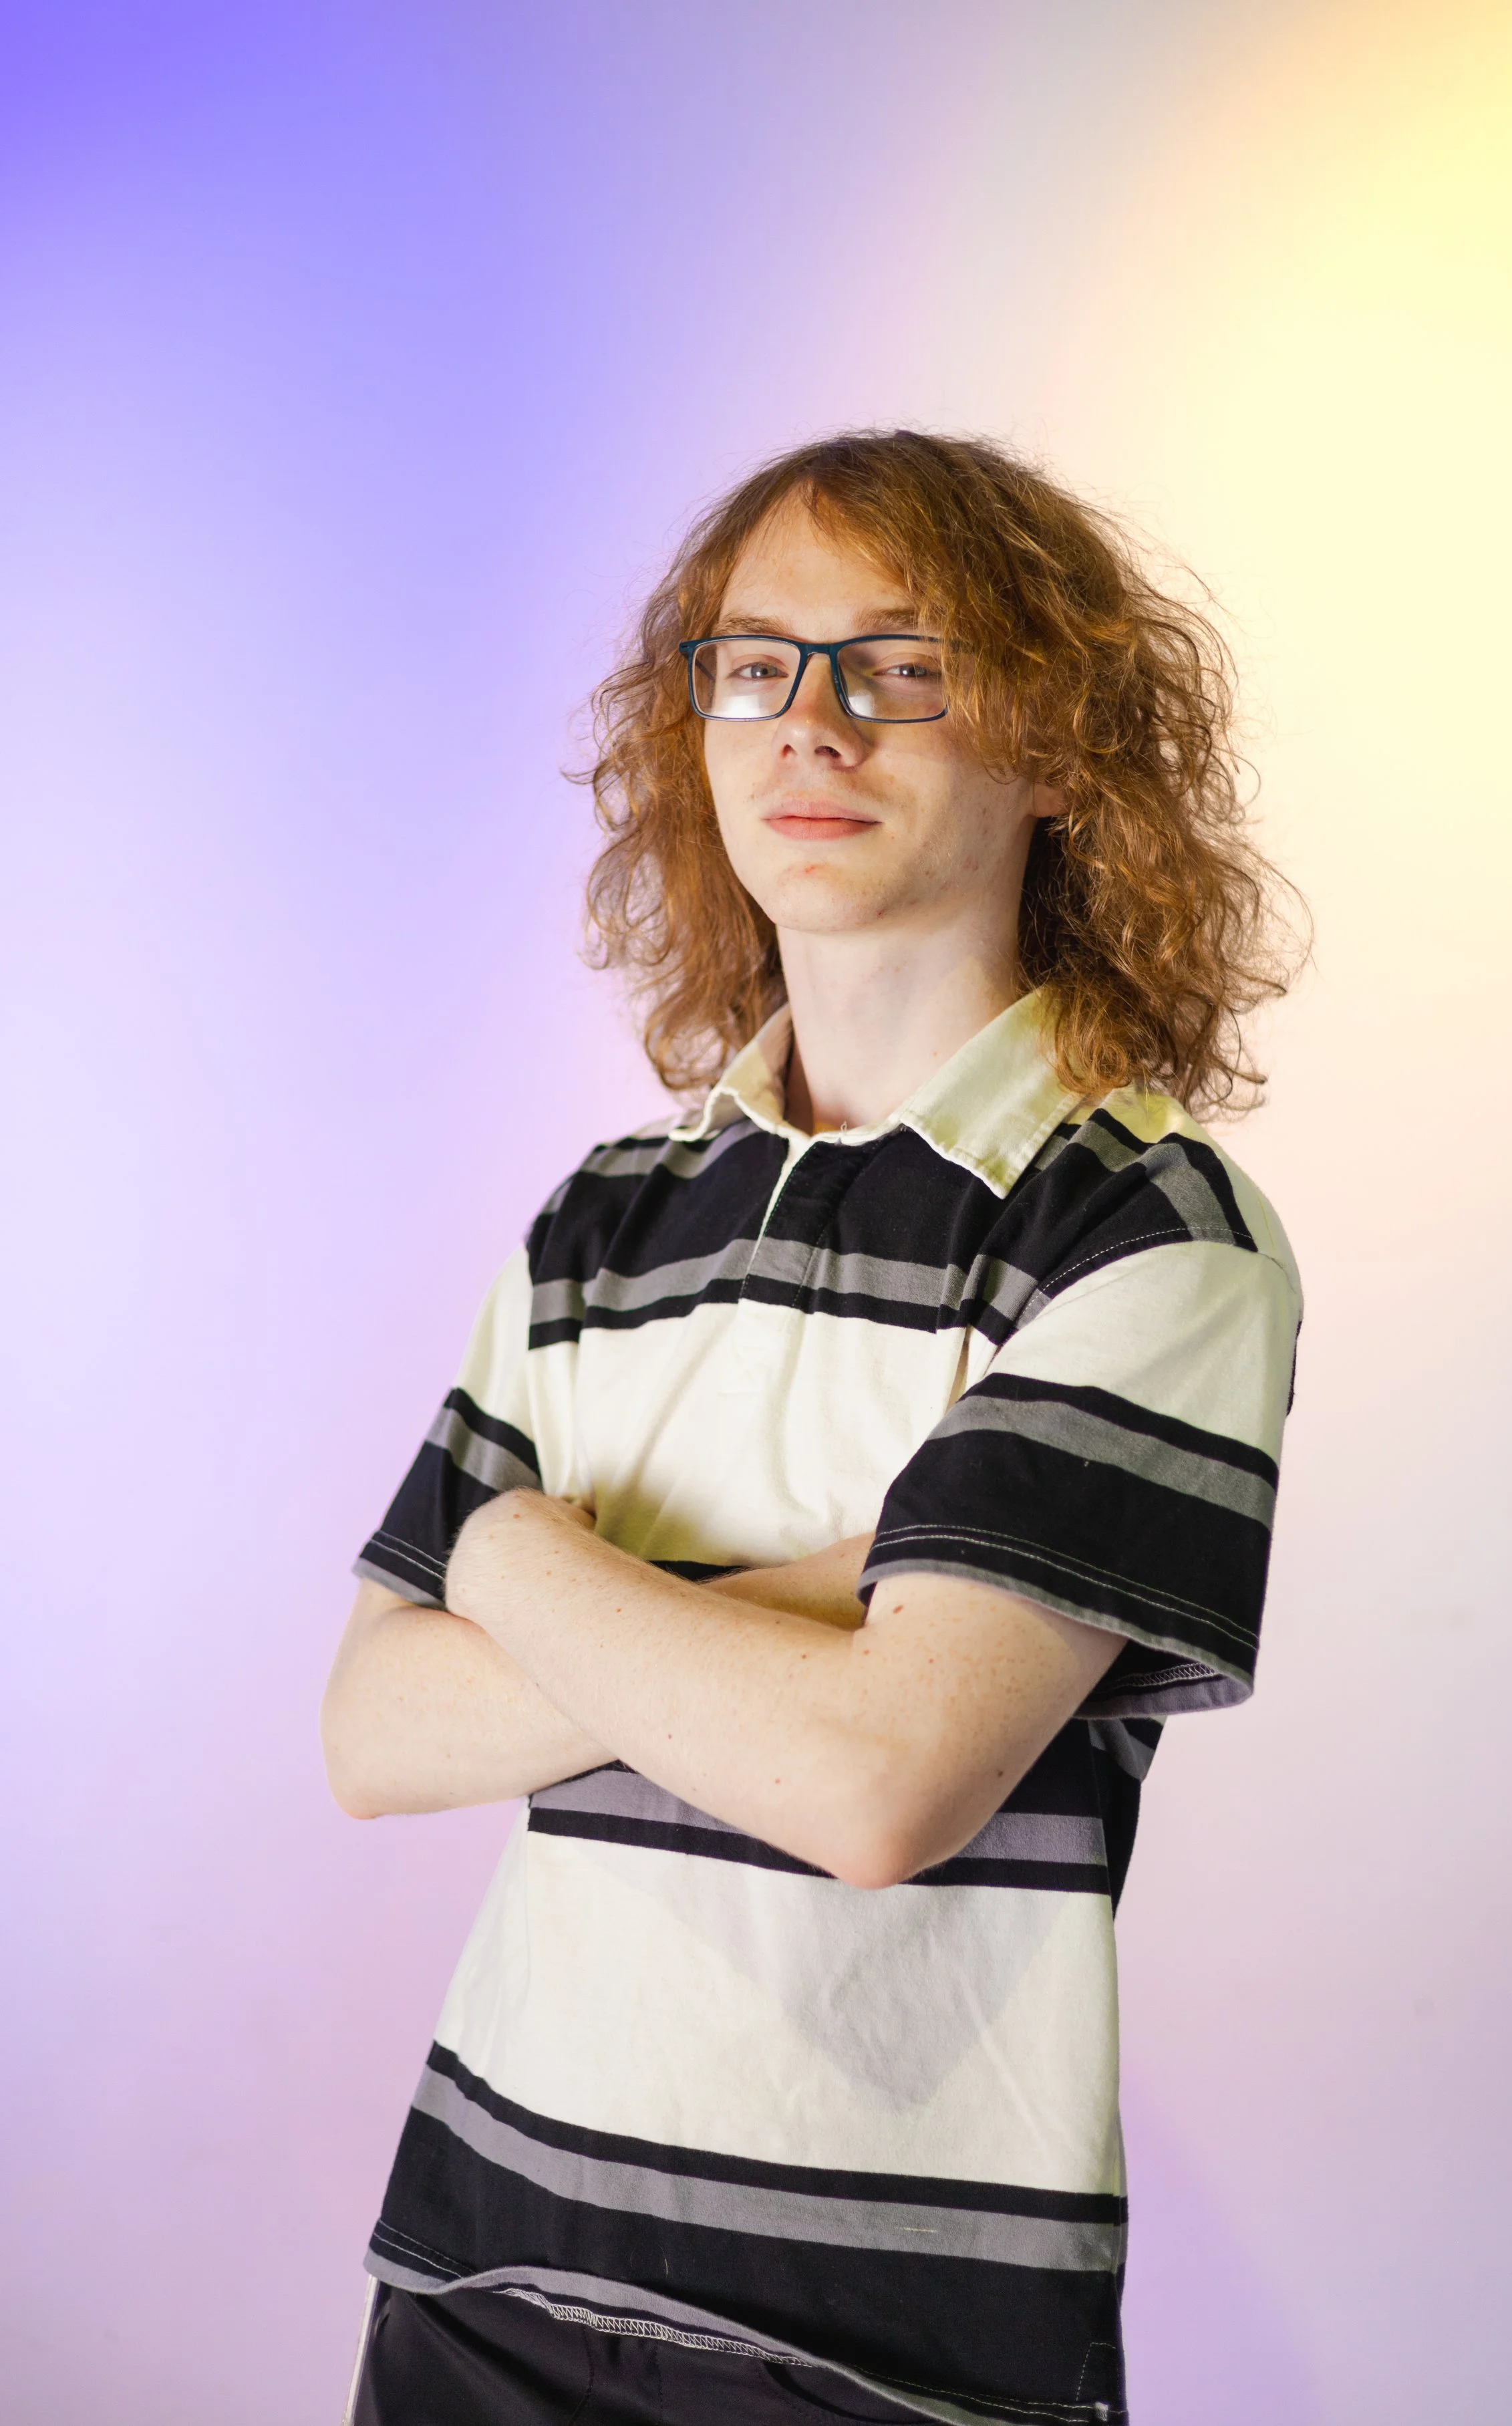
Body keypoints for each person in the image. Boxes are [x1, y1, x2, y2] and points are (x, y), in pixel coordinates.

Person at [322, 429, 1303, 2426]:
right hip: (478, 2262)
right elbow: (369, 1731)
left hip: (884, 2359)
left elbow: (877, 1788)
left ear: (1059, 746)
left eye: (900, 662)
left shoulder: (1144, 1227)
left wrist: (514, 1563)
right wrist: (766, 1591)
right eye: (755, 664)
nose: (814, 721)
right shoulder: (606, 1211)